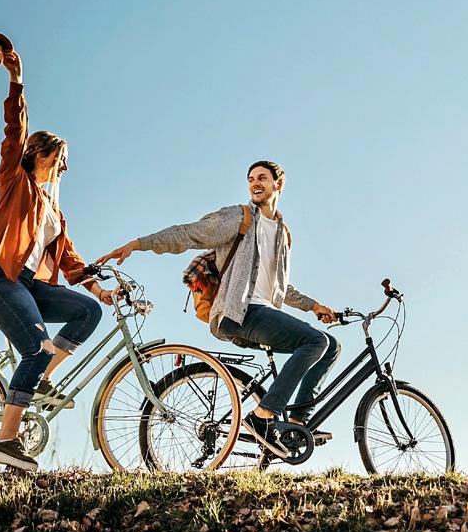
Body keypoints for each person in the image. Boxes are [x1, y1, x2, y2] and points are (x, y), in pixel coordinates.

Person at [97, 160, 340, 456]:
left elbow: (280, 286)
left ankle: (297, 425)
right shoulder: (238, 218)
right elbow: (189, 233)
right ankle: (262, 416)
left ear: (279, 184)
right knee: (315, 341)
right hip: (239, 312)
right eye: (251, 179)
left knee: (331, 346)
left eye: (262, 178)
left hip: (265, 313)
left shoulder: (282, 233)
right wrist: (139, 243)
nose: (255, 183)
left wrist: (314, 306)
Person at [0, 48, 114, 472]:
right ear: (40, 154)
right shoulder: (15, 181)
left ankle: (43, 377)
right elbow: (15, 132)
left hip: (28, 285)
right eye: (60, 159)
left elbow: (68, 257)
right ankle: (5, 441)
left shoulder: (54, 210)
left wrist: (97, 288)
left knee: (88, 311)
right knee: (37, 348)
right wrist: (17, 82)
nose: (64, 168)